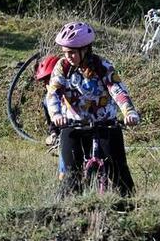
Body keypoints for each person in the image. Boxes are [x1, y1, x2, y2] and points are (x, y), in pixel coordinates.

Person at [46, 22, 140, 197]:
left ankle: (129, 206)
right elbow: (53, 92)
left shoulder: (102, 66)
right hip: (74, 124)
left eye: (72, 53)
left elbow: (117, 89)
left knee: (119, 171)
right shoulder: (62, 67)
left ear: (85, 49)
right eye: (65, 52)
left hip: (105, 124)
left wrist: (129, 112)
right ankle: (66, 212)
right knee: (70, 174)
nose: (68, 57)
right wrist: (56, 115)